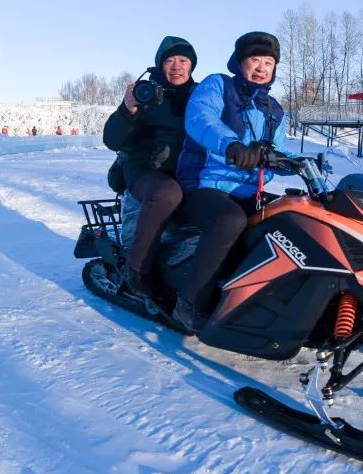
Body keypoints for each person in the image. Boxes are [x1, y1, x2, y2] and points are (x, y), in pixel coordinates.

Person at [172, 31, 289, 332]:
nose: (262, 68)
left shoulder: (274, 109)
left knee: (293, 219)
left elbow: (278, 150)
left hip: (250, 190)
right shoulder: (218, 86)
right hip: (204, 185)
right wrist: (231, 145)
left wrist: (293, 162)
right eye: (254, 60)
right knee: (230, 219)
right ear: (239, 63)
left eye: (268, 62)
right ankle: (190, 302)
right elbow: (200, 119)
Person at [102, 36, 198, 298]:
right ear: (160, 64)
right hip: (145, 172)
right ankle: (137, 269)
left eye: (183, 60)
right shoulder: (147, 93)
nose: (176, 66)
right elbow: (112, 140)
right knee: (167, 193)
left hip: (186, 171)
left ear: (191, 65)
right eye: (169, 60)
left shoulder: (200, 95)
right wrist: (128, 109)